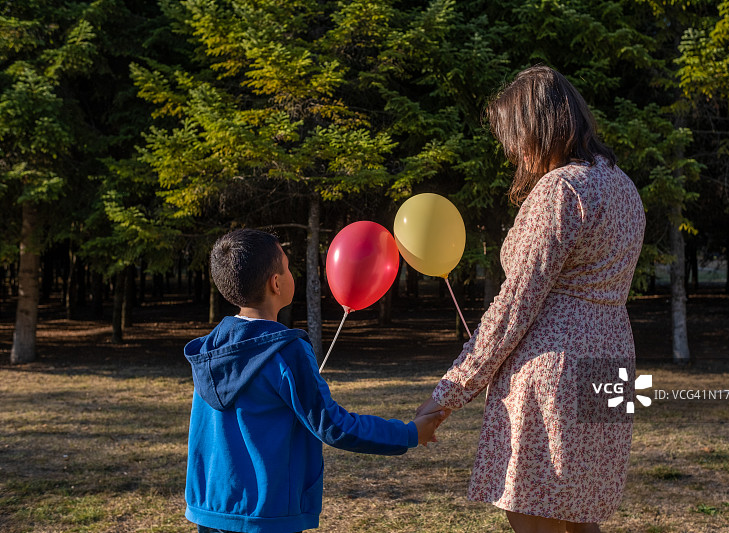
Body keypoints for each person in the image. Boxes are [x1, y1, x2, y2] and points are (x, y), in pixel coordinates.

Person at [417, 65, 646, 533]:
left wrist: (448, 395)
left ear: (540, 128)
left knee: (535, 510)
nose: (516, 153)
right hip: (612, 358)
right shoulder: (622, 185)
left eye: (517, 138)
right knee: (580, 509)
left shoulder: (562, 188)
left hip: (554, 367)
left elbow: (514, 305)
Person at [184, 228, 447, 533]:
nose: (291, 273)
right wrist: (409, 433)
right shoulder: (286, 351)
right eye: (287, 267)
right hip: (266, 518)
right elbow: (334, 425)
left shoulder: (210, 347)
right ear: (276, 283)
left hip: (209, 512)